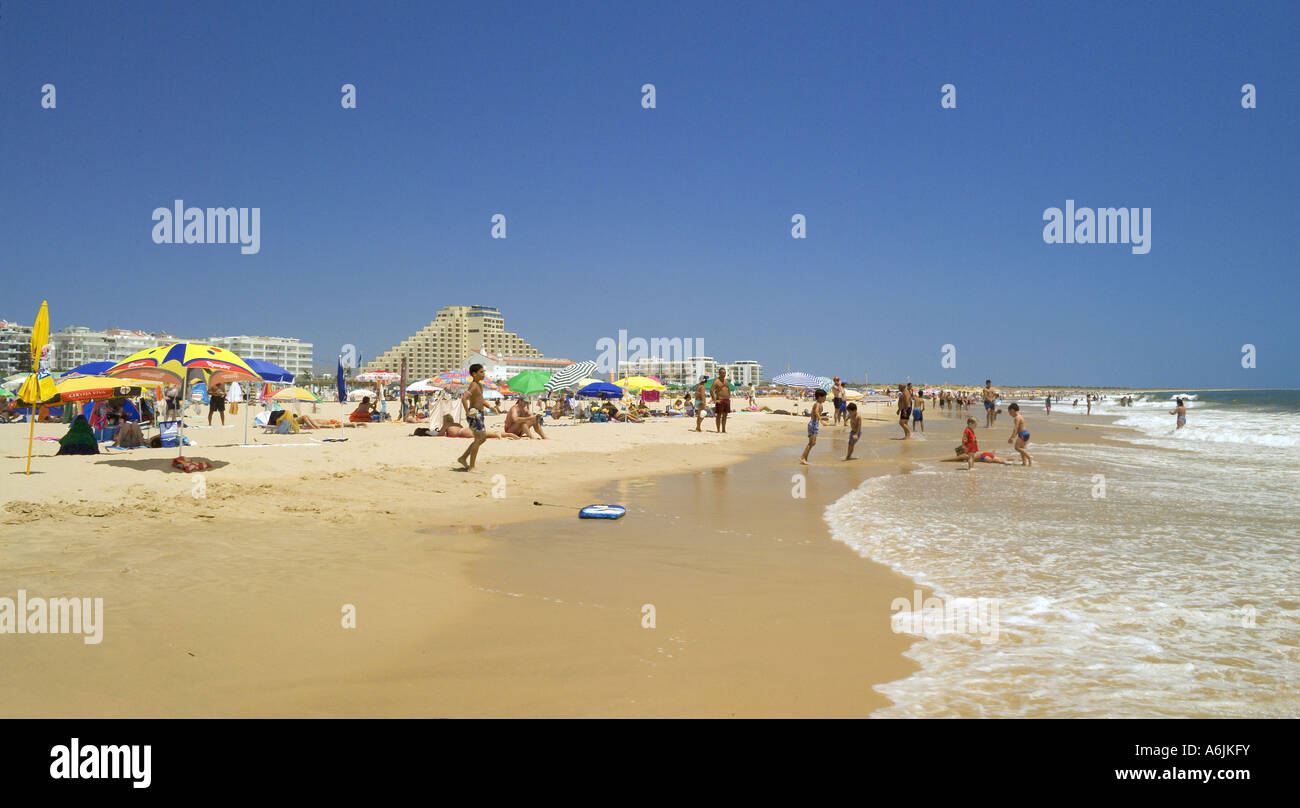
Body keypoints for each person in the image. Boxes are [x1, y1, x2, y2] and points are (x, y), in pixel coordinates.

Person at [457, 364, 503, 470]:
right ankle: (471, 466)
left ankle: (463, 458)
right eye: (481, 372)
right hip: (474, 415)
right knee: (478, 439)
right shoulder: (473, 385)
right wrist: (467, 412)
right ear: (474, 374)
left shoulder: (480, 385)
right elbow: (464, 399)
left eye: (484, 372)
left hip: (480, 414)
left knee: (482, 439)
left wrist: (490, 407)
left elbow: (480, 399)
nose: (484, 374)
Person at [800, 388, 827, 464]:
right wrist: (821, 421)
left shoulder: (819, 404)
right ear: (820, 397)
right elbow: (815, 412)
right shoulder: (817, 404)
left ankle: (804, 458)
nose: (825, 398)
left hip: (815, 423)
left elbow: (816, 413)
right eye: (824, 397)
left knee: (813, 443)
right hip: (813, 424)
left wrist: (824, 418)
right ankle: (802, 458)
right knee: (811, 443)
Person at [711, 368, 731, 433]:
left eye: (725, 373)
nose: (724, 374)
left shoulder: (726, 381)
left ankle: (723, 430)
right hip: (720, 400)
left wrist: (729, 395)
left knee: (725, 415)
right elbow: (711, 390)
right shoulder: (716, 381)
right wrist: (714, 400)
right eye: (722, 373)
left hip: (727, 400)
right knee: (719, 415)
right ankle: (718, 430)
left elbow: (728, 388)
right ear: (719, 373)